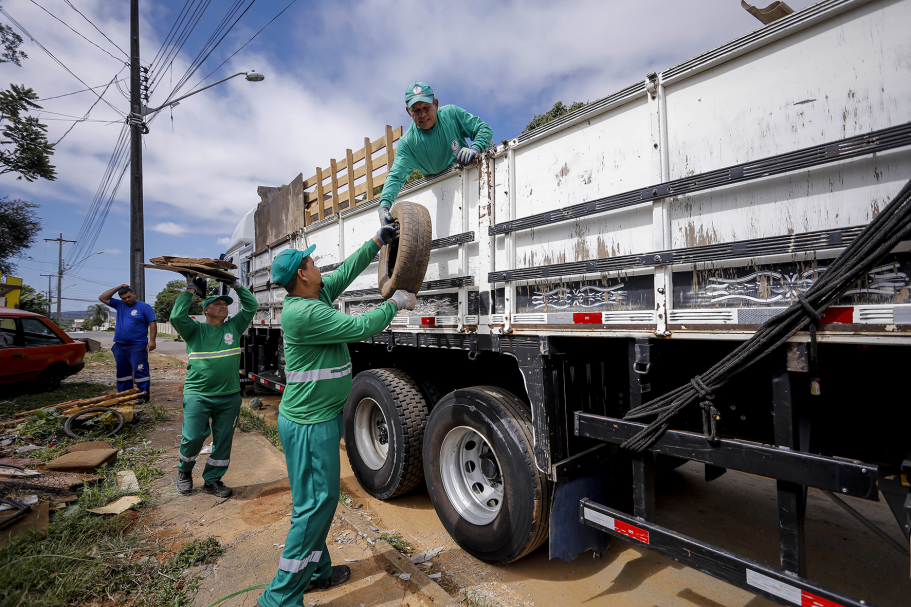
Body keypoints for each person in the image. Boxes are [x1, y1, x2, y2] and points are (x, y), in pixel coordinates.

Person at [257, 226, 416, 607]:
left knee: (315, 502)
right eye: (312, 263)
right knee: (315, 505)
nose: (319, 268)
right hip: (310, 425)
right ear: (301, 274)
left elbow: (345, 271)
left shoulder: (313, 296)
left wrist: (377, 242)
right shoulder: (305, 313)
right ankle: (278, 598)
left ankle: (316, 571)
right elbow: (361, 327)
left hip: (314, 419)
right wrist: (396, 303)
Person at [169, 276, 257, 498]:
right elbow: (176, 316)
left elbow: (252, 306)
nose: (223, 306)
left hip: (229, 397)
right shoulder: (194, 330)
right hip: (198, 395)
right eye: (217, 304)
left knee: (223, 439)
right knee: (193, 437)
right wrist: (190, 288)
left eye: (226, 304)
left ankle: (213, 480)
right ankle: (184, 471)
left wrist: (236, 284)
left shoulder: (234, 327)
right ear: (206, 310)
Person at [377, 81, 492, 225]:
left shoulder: (451, 114)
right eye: (416, 110)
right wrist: (384, 207)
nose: (422, 114)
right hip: (439, 196)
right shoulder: (408, 143)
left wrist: (475, 148)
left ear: (436, 104)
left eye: (426, 107)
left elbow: (484, 129)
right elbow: (395, 177)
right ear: (408, 112)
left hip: (470, 183)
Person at [99, 284, 156, 400]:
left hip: (137, 346)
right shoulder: (119, 305)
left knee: (140, 371)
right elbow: (102, 298)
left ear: (133, 294)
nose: (127, 300)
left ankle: (143, 396)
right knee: (122, 373)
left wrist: (152, 341)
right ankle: (126, 396)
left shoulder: (144, 307)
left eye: (129, 297)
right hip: (119, 346)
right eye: (124, 298)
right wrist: (118, 287)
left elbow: (152, 323)